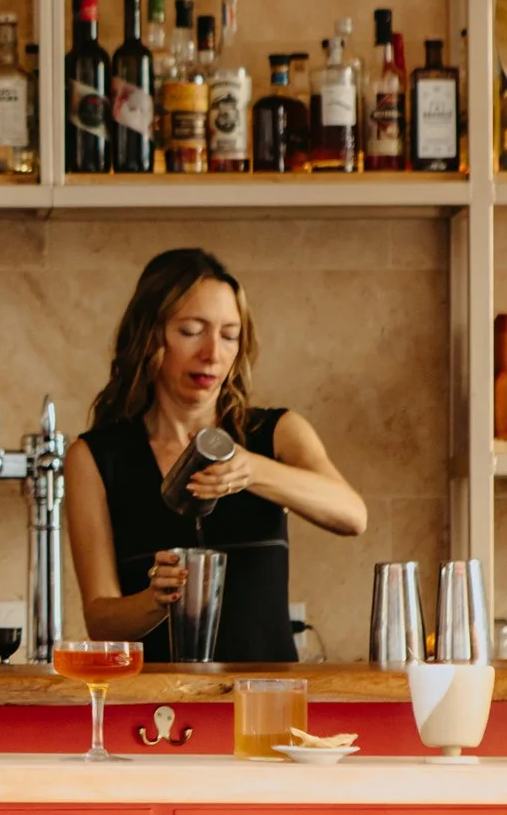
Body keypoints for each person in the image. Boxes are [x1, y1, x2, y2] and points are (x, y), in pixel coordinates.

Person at [64, 247, 365, 662]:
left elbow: (352, 514)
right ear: (150, 336)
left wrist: (252, 470)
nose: (212, 353)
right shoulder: (95, 458)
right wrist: (154, 601)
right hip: (154, 714)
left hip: (267, 706)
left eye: (228, 335)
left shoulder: (275, 433)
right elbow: (101, 621)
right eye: (191, 331)